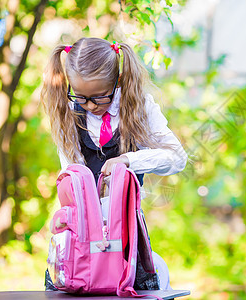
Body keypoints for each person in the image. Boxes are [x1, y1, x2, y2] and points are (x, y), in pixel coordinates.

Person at [41, 37, 188, 291]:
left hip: (126, 230)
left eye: (99, 97)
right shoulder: (69, 112)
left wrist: (129, 160)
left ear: (117, 82)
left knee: (141, 285)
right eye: (81, 96)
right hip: (83, 230)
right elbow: (71, 173)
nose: (89, 106)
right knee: (62, 284)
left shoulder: (139, 107)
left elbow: (177, 157)